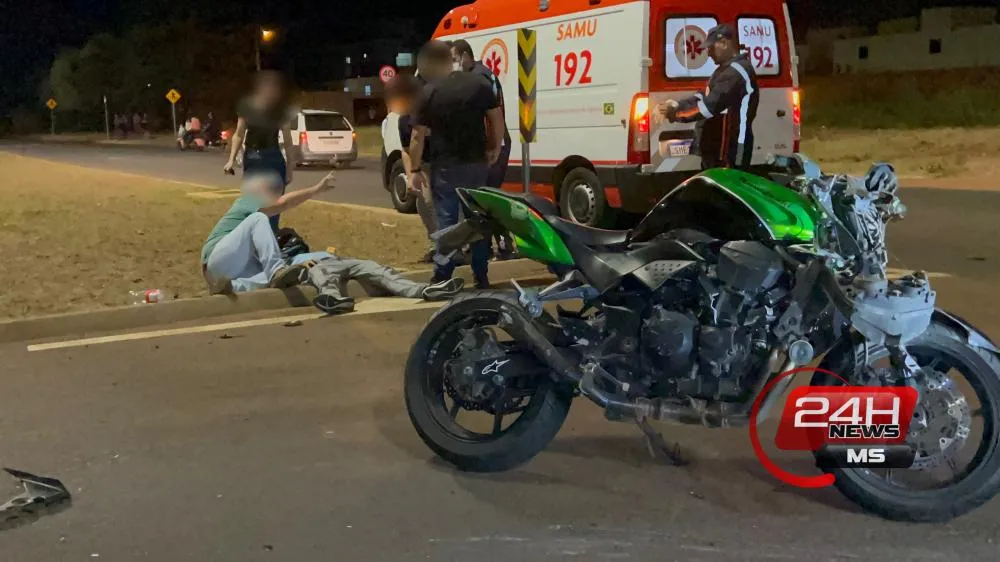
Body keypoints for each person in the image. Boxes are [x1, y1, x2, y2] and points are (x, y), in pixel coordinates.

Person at [408, 40, 504, 289]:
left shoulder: (428, 92)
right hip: (476, 162)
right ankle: (481, 274)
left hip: (446, 166)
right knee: (478, 219)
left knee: (447, 221)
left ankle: (443, 275)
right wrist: (495, 146)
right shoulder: (480, 84)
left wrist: (415, 169)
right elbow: (496, 118)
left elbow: (417, 136)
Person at [201, 170, 335, 295]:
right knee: (258, 219)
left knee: (289, 269)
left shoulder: (258, 230)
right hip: (217, 258)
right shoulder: (246, 201)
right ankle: (276, 271)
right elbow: (283, 203)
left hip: (233, 269)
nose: (274, 193)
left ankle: (230, 287)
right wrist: (316, 189)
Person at [276, 228, 464, 314]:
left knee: (380, 272)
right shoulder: (289, 260)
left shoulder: (316, 250)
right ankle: (333, 300)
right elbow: (281, 278)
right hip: (317, 266)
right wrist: (299, 266)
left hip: (343, 260)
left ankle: (424, 290)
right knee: (323, 277)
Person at [450, 39, 515, 260]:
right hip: (498, 143)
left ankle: (495, 246)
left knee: (483, 201)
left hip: (493, 146)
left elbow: (490, 117)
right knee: (488, 200)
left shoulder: (478, 78)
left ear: (466, 56)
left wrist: (490, 147)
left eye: (455, 59)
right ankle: (498, 245)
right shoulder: (486, 73)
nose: (453, 65)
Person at [659, 24, 759, 170]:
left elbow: (708, 107)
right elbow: (703, 96)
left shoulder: (736, 73)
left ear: (724, 43)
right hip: (718, 149)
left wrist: (675, 113)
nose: (709, 53)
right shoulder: (725, 70)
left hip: (730, 150)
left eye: (711, 47)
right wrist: (676, 105)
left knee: (726, 188)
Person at [224, 70, 296, 231]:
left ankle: (270, 241)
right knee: (253, 205)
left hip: (273, 158)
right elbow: (238, 135)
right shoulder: (247, 108)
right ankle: (255, 241)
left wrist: (290, 168)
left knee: (274, 205)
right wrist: (231, 159)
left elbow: (288, 141)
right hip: (253, 157)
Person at [386, 71, 436, 263]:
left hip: (441, 163)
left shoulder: (430, 111)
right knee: (424, 204)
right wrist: (410, 175)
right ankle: (436, 245)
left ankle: (453, 248)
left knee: (439, 205)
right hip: (421, 166)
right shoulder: (402, 121)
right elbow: (406, 150)